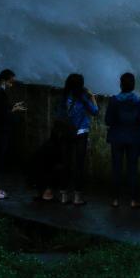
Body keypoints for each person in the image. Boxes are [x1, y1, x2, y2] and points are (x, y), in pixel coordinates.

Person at [105, 72, 140, 208]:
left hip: (117, 137)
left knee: (116, 168)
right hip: (133, 138)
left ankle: (115, 200)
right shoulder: (138, 101)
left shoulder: (114, 100)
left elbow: (108, 120)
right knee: (132, 169)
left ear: (121, 84)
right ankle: (133, 200)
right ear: (133, 85)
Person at [57, 73, 99, 205]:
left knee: (66, 164)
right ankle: (77, 197)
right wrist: (92, 96)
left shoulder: (64, 97)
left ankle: (64, 196)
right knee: (79, 165)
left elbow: (59, 114)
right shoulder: (83, 98)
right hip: (81, 133)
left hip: (66, 133)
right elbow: (95, 111)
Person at [0, 69, 27, 199]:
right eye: (10, 82)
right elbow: (1, 115)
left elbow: (0, 110)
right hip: (0, 131)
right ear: (4, 80)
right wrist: (13, 109)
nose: (11, 85)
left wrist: (12, 107)